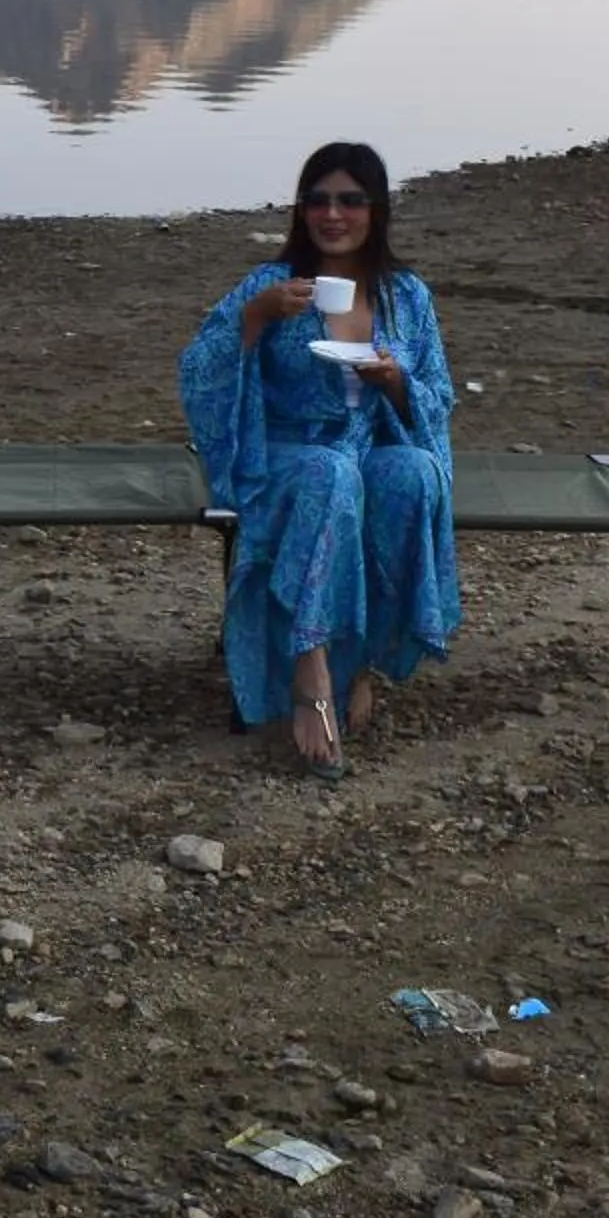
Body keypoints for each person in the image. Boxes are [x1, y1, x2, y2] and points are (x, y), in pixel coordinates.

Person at [178, 141, 459, 778]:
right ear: (302, 209)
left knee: (412, 476)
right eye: (318, 200)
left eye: (350, 200)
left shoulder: (406, 297)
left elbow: (437, 399)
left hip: (370, 443)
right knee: (329, 474)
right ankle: (313, 677)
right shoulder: (270, 286)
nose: (332, 214)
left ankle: (364, 664)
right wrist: (252, 320)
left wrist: (395, 383)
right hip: (283, 453)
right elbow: (198, 372)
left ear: (376, 209)